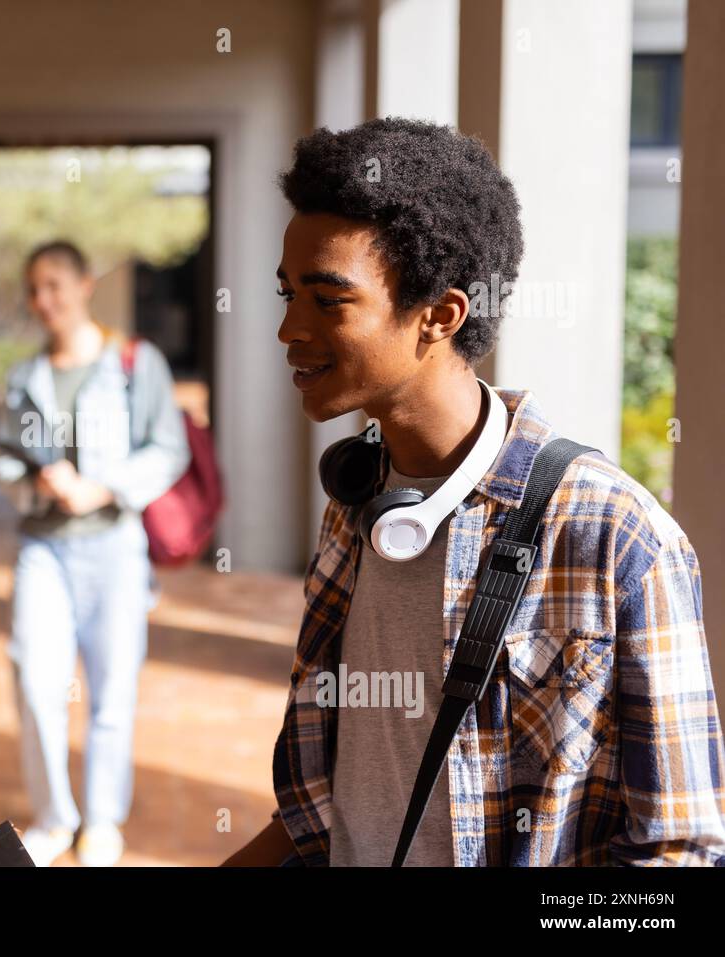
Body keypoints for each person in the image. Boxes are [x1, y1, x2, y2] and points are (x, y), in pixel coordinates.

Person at [223, 117, 725, 866]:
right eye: (286, 292)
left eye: (328, 301)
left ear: (441, 314)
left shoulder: (613, 534)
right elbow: (331, 818)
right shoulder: (357, 501)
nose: (288, 327)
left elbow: (679, 853)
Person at [0, 241, 189, 866]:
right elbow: (3, 456)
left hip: (113, 544)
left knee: (111, 690)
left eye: (54, 284)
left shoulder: (136, 362)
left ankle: (102, 821)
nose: (42, 299)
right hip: (43, 548)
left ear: (84, 284)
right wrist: (32, 484)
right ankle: (54, 815)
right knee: (35, 680)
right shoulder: (25, 378)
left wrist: (101, 488)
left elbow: (169, 449)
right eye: (33, 288)